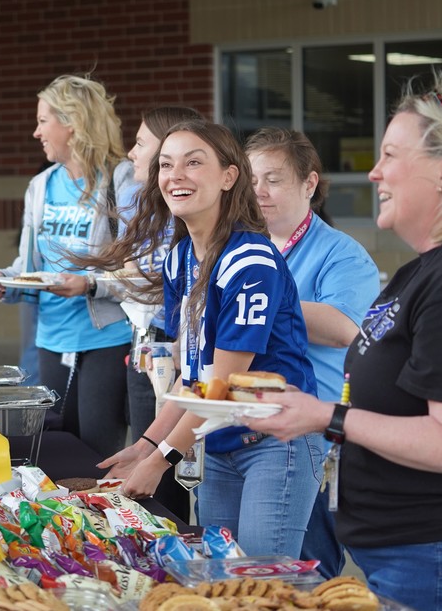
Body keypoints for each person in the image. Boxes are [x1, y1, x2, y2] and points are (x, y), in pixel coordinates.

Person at [248, 70, 442, 610]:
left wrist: (325, 416)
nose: (373, 172)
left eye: (390, 155)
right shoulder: (441, 266)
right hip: (427, 554)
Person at [91, 120, 321, 558]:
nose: (175, 175)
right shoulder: (179, 258)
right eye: (166, 164)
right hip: (218, 446)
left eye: (193, 163)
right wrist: (143, 445)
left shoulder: (250, 259)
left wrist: (161, 460)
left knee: (262, 588)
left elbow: (223, 384)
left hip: (274, 445)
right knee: (224, 581)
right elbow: (193, 377)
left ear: (229, 177)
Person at [246, 127, 380, 578]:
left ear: (309, 184)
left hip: (307, 439)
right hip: (237, 430)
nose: (258, 191)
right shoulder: (240, 246)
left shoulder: (342, 254)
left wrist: (258, 305)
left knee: (300, 577)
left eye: (273, 179)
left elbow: (345, 329)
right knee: (238, 574)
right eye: (250, 180)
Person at [0, 74, 132, 459]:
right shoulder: (41, 185)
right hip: (50, 340)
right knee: (56, 453)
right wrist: (6, 281)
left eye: (43, 121)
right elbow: (29, 265)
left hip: (105, 340)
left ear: (74, 123)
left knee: (98, 457)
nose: (36, 132)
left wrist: (89, 285)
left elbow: (139, 271)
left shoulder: (122, 180)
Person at [114, 105, 205, 522]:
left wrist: (156, 455)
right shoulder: (152, 213)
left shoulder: (196, 227)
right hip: (151, 350)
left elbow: (209, 379)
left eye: (141, 144)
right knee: (150, 465)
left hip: (179, 365)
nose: (132, 153)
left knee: (171, 487)